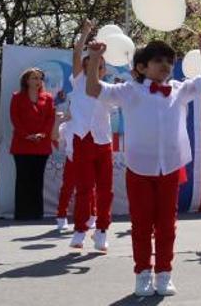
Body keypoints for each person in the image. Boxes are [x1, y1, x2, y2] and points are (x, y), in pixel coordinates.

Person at [86, 33, 201, 297]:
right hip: (139, 169)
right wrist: (96, 58)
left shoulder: (179, 89)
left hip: (169, 168)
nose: (166, 65)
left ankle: (164, 274)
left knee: (167, 224)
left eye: (169, 60)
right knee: (142, 224)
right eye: (158, 60)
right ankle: (143, 273)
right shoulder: (129, 90)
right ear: (142, 67)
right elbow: (93, 89)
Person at [68, 20, 116, 251]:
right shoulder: (78, 82)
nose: (95, 68)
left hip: (103, 142)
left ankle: (102, 230)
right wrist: (86, 32)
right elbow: (77, 54)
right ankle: (79, 230)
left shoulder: (108, 90)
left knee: (106, 189)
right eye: (91, 64)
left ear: (104, 70)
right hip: (82, 139)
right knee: (84, 188)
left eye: (100, 66)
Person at [10, 67, 56, 220]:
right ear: (26, 80)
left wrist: (42, 134)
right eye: (34, 78)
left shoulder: (48, 98)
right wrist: (27, 136)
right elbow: (15, 119)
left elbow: (50, 119)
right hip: (22, 144)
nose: (38, 81)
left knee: (37, 179)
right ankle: (22, 213)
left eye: (39, 78)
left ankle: (37, 213)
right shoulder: (17, 97)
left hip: (41, 145)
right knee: (23, 179)